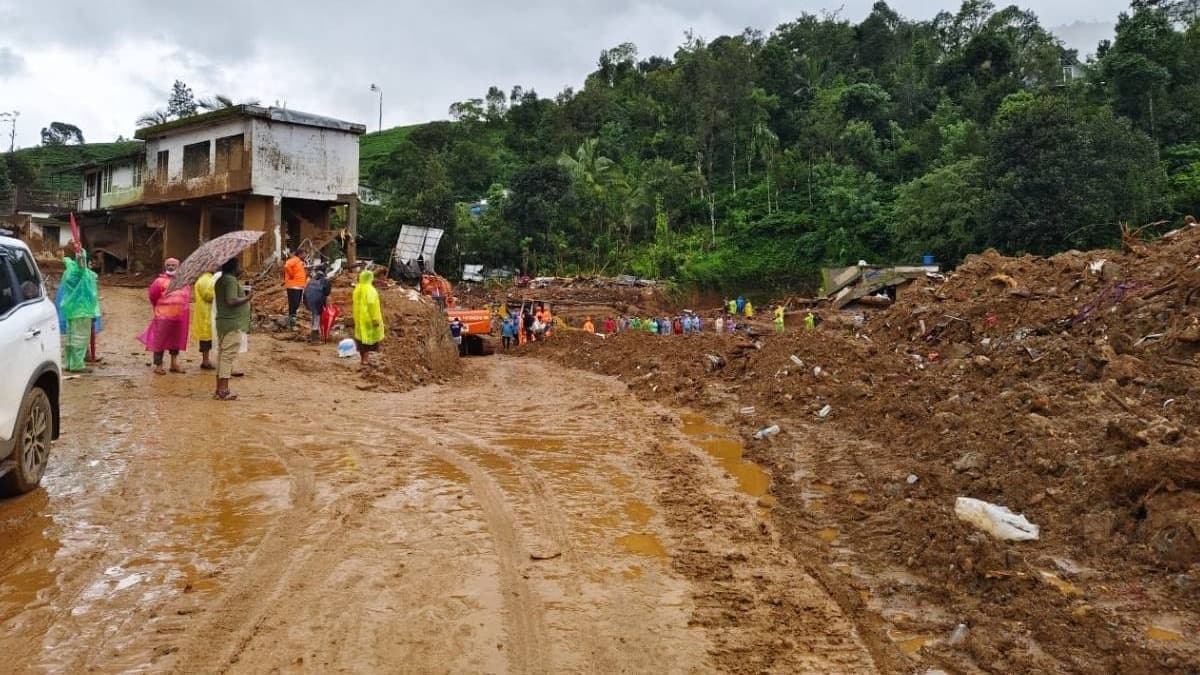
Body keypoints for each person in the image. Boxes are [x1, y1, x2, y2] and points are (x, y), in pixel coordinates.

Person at [138, 258, 191, 375]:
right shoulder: (159, 281)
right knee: (159, 341)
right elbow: (153, 297)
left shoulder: (183, 281)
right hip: (163, 317)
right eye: (168, 265)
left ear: (178, 267)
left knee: (176, 341)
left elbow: (187, 297)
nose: (171, 267)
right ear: (165, 266)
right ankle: (158, 365)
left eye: (173, 265)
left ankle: (174, 363)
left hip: (179, 318)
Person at [56, 245, 100, 374]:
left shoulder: (70, 268)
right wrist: (79, 250)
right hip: (82, 309)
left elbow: (66, 260)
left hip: (71, 310)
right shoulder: (79, 272)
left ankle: (69, 364)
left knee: (70, 338)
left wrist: (63, 256)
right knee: (80, 339)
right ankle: (77, 365)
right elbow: (81, 262)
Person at [214, 257, 252, 400]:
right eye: (238, 266)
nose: (240, 268)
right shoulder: (230, 280)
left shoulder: (220, 280)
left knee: (222, 355)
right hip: (232, 323)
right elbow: (231, 300)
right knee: (227, 356)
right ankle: (223, 390)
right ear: (233, 267)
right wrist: (247, 298)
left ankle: (219, 389)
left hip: (223, 322)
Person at [352, 269, 384, 366]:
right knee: (367, 339)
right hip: (368, 319)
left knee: (360, 339)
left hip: (359, 318)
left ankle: (363, 359)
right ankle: (366, 360)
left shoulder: (357, 289)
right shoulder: (370, 290)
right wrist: (375, 319)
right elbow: (372, 305)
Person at [191, 271, 216, 370]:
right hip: (206, 314)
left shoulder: (205, 278)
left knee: (207, 337)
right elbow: (208, 296)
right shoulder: (206, 279)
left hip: (206, 313)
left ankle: (206, 360)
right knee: (206, 338)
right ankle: (205, 361)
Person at [303, 266, 332, 344]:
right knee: (317, 318)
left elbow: (306, 291)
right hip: (318, 301)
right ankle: (314, 338)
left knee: (314, 316)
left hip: (308, 301)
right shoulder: (325, 280)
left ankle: (313, 334)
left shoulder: (311, 280)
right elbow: (327, 293)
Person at [283, 249, 308, 329]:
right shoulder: (295, 260)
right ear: (299, 254)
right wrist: (291, 275)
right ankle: (292, 323)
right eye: (304, 254)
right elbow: (287, 265)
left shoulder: (299, 262)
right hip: (294, 286)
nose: (305, 256)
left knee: (295, 304)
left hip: (299, 286)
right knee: (294, 304)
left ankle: (292, 322)